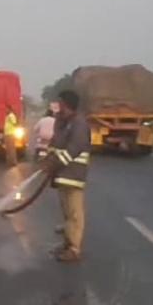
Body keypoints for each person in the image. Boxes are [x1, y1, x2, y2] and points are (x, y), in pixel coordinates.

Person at [41, 90, 91, 263]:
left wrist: (54, 164)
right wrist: (47, 159)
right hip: (62, 175)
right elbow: (55, 144)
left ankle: (74, 249)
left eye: (60, 102)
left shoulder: (79, 124)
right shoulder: (63, 123)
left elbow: (75, 148)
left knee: (75, 214)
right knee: (67, 214)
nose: (58, 106)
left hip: (74, 175)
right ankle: (67, 244)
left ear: (67, 105)